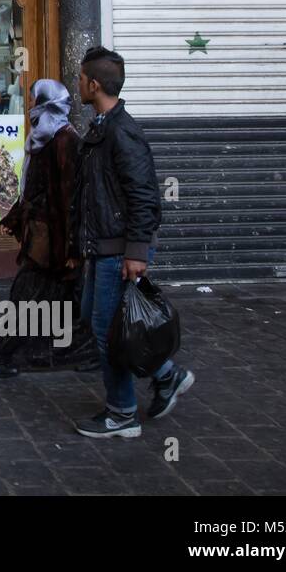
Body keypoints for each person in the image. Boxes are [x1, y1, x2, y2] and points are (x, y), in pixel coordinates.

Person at [72, 47, 193, 439]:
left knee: (109, 332)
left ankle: (122, 413)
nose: (77, 84)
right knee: (96, 317)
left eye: (80, 78)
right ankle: (166, 375)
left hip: (120, 249)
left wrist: (137, 251)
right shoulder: (103, 126)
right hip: (103, 246)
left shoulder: (122, 131)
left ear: (93, 84)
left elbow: (144, 194)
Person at [0, 79, 94, 377]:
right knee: (60, 299)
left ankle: (3, 357)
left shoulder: (65, 141)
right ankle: (83, 353)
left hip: (50, 242)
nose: (30, 107)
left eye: (34, 101)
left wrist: (72, 249)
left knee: (26, 297)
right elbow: (34, 192)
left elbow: (67, 198)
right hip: (43, 237)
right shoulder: (44, 138)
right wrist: (15, 218)